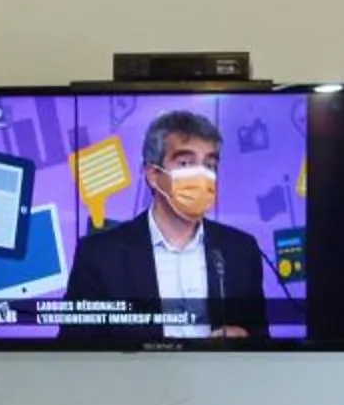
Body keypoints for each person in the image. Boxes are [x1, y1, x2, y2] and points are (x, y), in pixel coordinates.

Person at [59, 109, 269, 342]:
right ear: (153, 175)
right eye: (185, 162)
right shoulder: (100, 254)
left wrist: (245, 338)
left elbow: (262, 340)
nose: (201, 176)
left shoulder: (240, 249)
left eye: (210, 165)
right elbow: (73, 350)